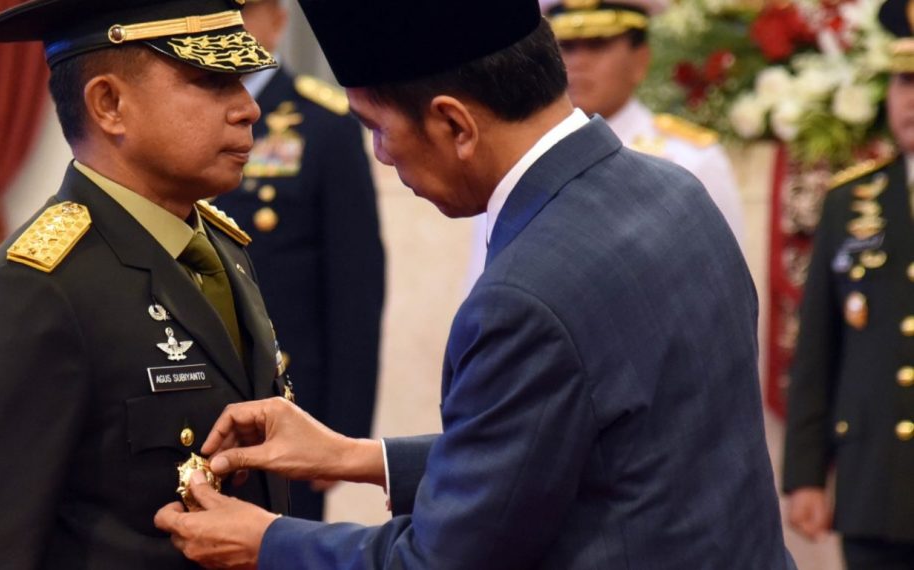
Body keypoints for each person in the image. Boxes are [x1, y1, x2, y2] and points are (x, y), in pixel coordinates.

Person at [155, 0, 794, 568]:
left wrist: (267, 542)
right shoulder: (672, 191)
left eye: (378, 127)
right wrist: (360, 456)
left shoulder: (525, 296)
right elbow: (590, 446)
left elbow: (436, 558)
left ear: (456, 125)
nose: (380, 153)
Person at [0, 0, 291, 567]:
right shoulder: (31, 295)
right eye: (211, 82)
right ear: (109, 104)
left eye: (240, 82)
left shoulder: (221, 250)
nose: (246, 108)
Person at [210, 0, 386, 522]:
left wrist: (341, 433)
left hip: (289, 407)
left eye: (244, 10)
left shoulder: (322, 123)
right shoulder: (184, 122)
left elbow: (355, 289)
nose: (230, 25)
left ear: (277, 20)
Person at [465, 0, 744, 280]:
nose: (578, 62)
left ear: (641, 59)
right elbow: (485, 288)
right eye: (566, 46)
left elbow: (726, 294)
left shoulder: (691, 160)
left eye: (598, 44)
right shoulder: (513, 157)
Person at [782, 0, 914, 566]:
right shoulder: (852, 200)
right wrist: (806, 474)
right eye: (905, 78)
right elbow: (818, 347)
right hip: (876, 488)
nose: (912, 97)